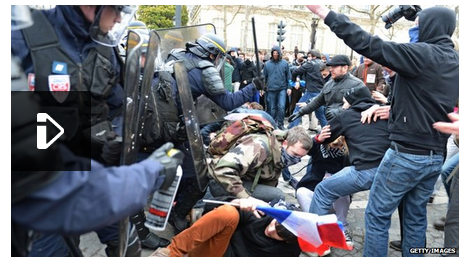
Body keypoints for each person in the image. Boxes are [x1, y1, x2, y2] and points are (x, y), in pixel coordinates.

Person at [306, 5, 459, 256]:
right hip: (435, 155)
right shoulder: (455, 61)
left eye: (419, 25)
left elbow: (369, 44)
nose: (415, 29)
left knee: (377, 216)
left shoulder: (422, 54)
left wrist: (328, 15)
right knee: (415, 218)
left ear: (429, 27)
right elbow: (428, 99)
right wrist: (393, 109)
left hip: (405, 154)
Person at [150, 33, 264, 234]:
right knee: (199, 177)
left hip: (155, 126)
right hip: (174, 129)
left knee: (175, 169)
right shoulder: (205, 68)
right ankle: (177, 215)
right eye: (219, 56)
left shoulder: (176, 55)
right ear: (211, 54)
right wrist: (253, 86)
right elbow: (227, 102)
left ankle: (168, 208)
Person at [309, 86, 390, 251]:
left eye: (345, 102)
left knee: (322, 190)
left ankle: (313, 240)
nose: (343, 105)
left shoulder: (346, 115)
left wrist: (319, 138)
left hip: (366, 170)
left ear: (352, 102)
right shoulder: (385, 112)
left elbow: (326, 137)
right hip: (392, 170)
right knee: (381, 218)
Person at [150, 198, 301, 257]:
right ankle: (170, 253)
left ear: (287, 241)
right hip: (214, 252)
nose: (271, 230)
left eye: (279, 235)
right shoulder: (260, 215)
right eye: (275, 225)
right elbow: (210, 211)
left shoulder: (290, 250)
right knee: (228, 212)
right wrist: (240, 201)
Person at [208, 126, 312, 202]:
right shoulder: (259, 146)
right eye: (295, 154)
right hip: (220, 182)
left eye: (301, 158)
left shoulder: (279, 152)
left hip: (241, 181)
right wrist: (247, 199)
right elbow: (223, 170)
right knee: (277, 195)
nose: (296, 159)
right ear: (285, 143)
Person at [288, 55, 364, 124]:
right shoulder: (329, 84)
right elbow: (318, 101)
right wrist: (300, 112)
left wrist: (340, 111)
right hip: (332, 124)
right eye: (330, 67)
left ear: (345, 68)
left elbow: (363, 107)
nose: (330, 70)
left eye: (334, 67)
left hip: (349, 126)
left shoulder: (357, 85)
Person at [288, 49, 327, 129]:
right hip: (320, 92)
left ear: (314, 57)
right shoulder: (323, 64)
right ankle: (328, 132)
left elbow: (296, 71)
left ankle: (291, 129)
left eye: (309, 56)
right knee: (320, 115)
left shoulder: (310, 64)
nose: (307, 58)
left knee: (298, 110)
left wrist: (293, 80)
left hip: (311, 91)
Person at [263, 45, 292, 129]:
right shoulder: (267, 64)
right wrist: (262, 88)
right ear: (272, 54)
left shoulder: (285, 63)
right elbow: (264, 77)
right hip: (271, 89)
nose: (275, 54)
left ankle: (280, 124)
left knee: (281, 106)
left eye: (276, 53)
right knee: (272, 108)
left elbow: (289, 76)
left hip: (282, 88)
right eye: (274, 53)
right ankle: (273, 123)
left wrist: (289, 87)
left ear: (279, 53)